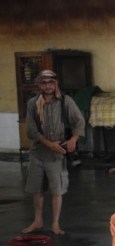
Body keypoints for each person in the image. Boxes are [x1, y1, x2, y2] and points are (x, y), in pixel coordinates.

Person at [22, 70, 85, 235]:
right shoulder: (33, 103)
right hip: (38, 152)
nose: (47, 86)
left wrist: (73, 139)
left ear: (55, 83)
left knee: (57, 190)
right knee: (37, 189)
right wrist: (47, 143)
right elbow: (31, 130)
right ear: (38, 84)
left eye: (51, 82)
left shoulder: (65, 102)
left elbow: (79, 121)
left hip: (57, 153)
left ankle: (55, 224)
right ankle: (38, 220)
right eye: (44, 83)